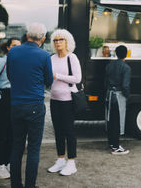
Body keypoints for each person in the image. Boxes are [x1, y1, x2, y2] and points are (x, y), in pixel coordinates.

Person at [7, 23, 53, 188]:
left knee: (17, 146)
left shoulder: (12, 52)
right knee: (33, 148)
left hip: (16, 104)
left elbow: (10, 75)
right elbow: (49, 81)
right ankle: (30, 186)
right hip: (34, 105)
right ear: (43, 38)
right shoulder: (44, 55)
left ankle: (16, 185)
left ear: (27, 36)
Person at [47, 29, 81, 175]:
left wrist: (57, 76)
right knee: (58, 131)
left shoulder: (71, 57)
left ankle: (71, 162)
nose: (58, 42)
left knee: (69, 131)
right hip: (54, 99)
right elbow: (48, 78)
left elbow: (77, 79)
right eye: (55, 40)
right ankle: (60, 160)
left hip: (68, 100)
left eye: (61, 39)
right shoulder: (51, 58)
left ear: (67, 42)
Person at [0, 38, 21, 179]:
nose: (17, 48)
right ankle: (0, 166)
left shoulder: (21, 63)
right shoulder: (1, 61)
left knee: (13, 133)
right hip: (3, 98)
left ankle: (8, 163)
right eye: (14, 46)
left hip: (16, 99)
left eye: (19, 46)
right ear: (8, 48)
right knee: (1, 133)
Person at [105, 45, 131, 154]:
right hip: (119, 96)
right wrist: (127, 95)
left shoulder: (109, 66)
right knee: (117, 121)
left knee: (110, 120)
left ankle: (111, 143)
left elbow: (105, 82)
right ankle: (116, 147)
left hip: (109, 95)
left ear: (116, 53)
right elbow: (125, 85)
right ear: (126, 54)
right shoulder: (126, 68)